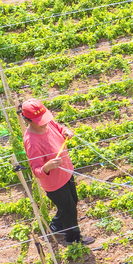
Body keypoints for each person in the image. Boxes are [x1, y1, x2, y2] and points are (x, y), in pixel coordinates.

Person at [20, 99, 92, 245]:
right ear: (28, 120)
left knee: (72, 202)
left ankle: (57, 225)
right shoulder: (32, 142)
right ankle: (73, 239)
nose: (44, 122)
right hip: (54, 183)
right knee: (69, 210)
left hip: (66, 171)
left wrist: (65, 131)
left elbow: (59, 127)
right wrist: (47, 166)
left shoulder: (48, 123)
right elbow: (36, 171)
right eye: (39, 120)